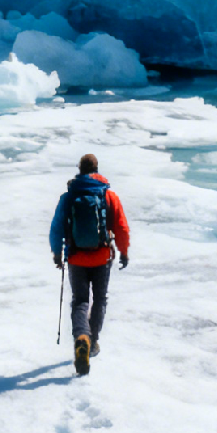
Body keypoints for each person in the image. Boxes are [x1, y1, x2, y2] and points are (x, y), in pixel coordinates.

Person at [50, 152, 131, 377]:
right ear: (96, 169)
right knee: (100, 299)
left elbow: (56, 227)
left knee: (80, 301)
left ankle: (81, 338)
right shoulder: (108, 195)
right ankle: (92, 341)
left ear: (79, 169)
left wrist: (58, 253)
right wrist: (124, 251)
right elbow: (122, 227)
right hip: (102, 256)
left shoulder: (69, 196)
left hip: (76, 257)